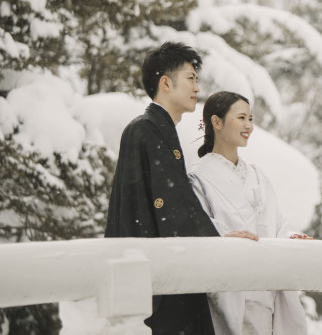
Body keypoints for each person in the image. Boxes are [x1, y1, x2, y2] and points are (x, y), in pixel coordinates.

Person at [105, 41, 219, 335]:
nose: (197, 86)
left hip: (161, 273)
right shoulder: (145, 128)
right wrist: (221, 244)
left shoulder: (156, 128)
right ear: (166, 83)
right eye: (191, 78)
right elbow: (171, 205)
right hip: (161, 276)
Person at [189, 91, 310, 335]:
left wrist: (290, 238)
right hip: (228, 291)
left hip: (265, 292)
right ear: (216, 122)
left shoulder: (257, 175)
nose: (249, 126)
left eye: (251, 119)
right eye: (241, 118)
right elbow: (199, 230)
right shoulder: (197, 179)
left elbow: (277, 223)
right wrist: (228, 239)